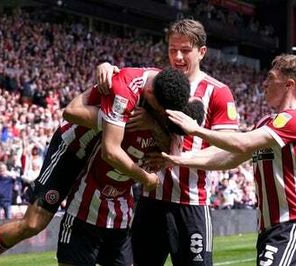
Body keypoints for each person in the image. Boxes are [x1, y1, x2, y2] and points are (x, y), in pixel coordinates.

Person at [0, 68, 189, 266]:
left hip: (100, 160)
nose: (161, 114)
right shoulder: (126, 88)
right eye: (159, 110)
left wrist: (153, 126)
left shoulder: (167, 89)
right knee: (32, 224)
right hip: (72, 150)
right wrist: (119, 123)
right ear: (149, 94)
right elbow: (104, 144)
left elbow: (170, 139)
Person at [97, 19, 238, 265]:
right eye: (173, 49)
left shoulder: (218, 92)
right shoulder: (154, 83)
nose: (178, 56)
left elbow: (228, 147)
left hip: (191, 203)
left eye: (185, 50)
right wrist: (107, 67)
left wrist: (174, 148)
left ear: (201, 52)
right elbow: (123, 83)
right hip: (151, 200)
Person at [162, 54, 296, 266]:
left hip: (293, 224)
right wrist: (178, 159)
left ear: (289, 84)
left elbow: (241, 144)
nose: (264, 83)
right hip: (270, 228)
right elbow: (229, 157)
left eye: (271, 78)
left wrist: (197, 130)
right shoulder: (266, 122)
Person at [57, 67, 205, 265]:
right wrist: (106, 71)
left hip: (120, 215)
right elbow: (73, 114)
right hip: (84, 206)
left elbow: (172, 151)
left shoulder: (167, 141)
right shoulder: (127, 104)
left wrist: (153, 126)